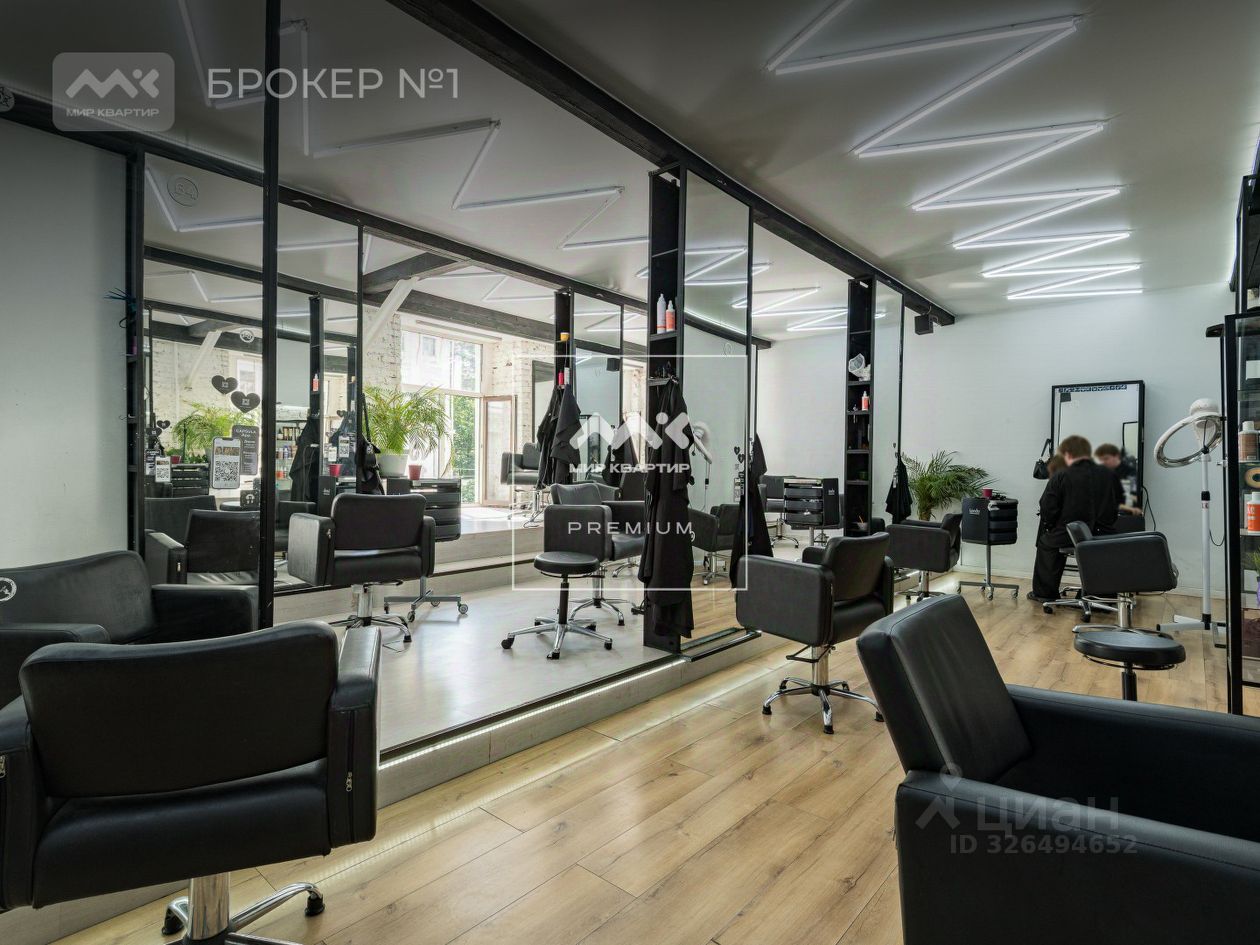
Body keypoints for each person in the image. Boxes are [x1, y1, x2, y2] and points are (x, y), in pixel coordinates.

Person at [1029, 435, 1119, 602]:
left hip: (1070, 534)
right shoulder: (1108, 474)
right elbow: (1114, 508)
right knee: (1098, 549)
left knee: (1046, 543)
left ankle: (1044, 593)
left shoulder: (1061, 474)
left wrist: (1050, 526)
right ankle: (1100, 594)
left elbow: (1047, 506)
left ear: (1068, 454)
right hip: (1102, 534)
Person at [1094, 442, 1142, 514]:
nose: (1103, 462)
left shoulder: (1130, 473)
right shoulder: (1103, 474)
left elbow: (1137, 498)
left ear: (1116, 456)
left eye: (1106, 458)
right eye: (1101, 460)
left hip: (1129, 511)